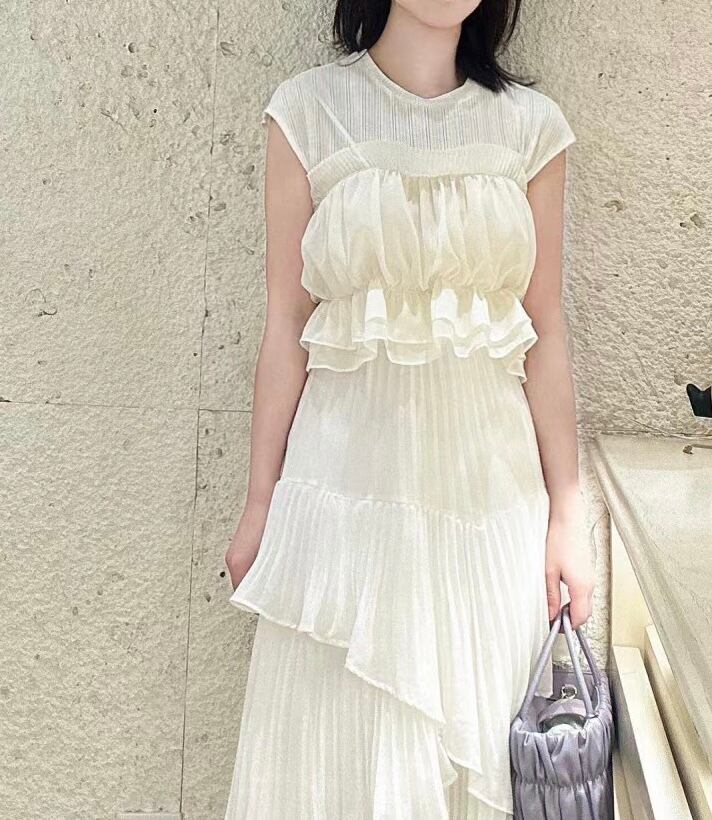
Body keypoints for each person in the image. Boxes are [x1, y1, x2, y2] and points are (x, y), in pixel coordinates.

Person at [223, 1, 595, 816]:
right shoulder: (307, 112)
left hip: (492, 516)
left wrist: (569, 511)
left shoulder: (532, 129)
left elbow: (545, 329)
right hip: (343, 515)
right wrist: (259, 502)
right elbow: (285, 325)